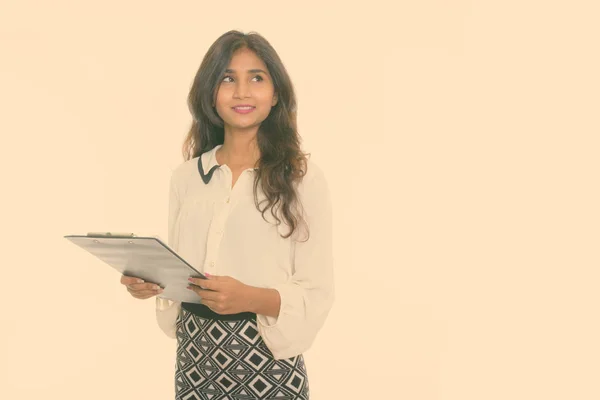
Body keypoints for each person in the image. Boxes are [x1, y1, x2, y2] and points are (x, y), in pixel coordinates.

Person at [119, 30, 334, 400]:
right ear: (210, 94)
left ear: (276, 93)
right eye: (227, 78)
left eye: (257, 77)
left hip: (267, 360)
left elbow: (317, 291)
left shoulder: (302, 178)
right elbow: (182, 270)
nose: (242, 92)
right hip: (194, 360)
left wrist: (250, 297)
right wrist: (153, 283)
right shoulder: (186, 178)